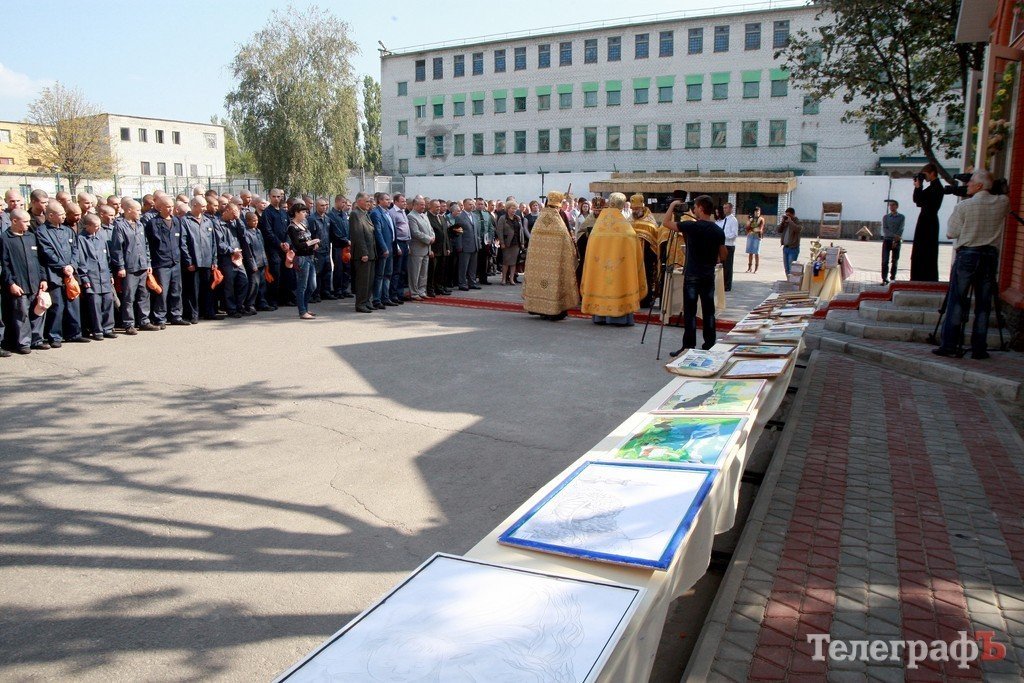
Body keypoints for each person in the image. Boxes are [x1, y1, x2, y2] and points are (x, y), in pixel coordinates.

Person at [933, 170, 1008, 360]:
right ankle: (979, 348)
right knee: (983, 305)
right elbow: (1002, 192)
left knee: (957, 300)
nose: (967, 185)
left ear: (980, 186)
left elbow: (951, 233)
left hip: (968, 254)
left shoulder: (965, 206)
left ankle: (949, 345)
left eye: (971, 182)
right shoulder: (1002, 203)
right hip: (989, 256)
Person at [663, 195, 727, 354]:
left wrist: (672, 206)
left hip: (692, 275)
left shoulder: (691, 226)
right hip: (707, 275)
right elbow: (723, 255)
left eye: (696, 207)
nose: (694, 210)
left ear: (700, 208)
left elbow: (665, 223)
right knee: (708, 311)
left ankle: (688, 346)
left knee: (690, 312)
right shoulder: (718, 230)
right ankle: (709, 344)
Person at [579, 192, 647, 326]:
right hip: (619, 270)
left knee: (600, 284)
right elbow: (635, 250)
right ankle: (619, 318)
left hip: (600, 269)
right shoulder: (626, 230)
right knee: (618, 285)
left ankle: (600, 317)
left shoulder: (597, 228)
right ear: (622, 206)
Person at [36, 200, 89, 346]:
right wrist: (63, 267)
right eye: (60, 214)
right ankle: (55, 336)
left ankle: (74, 333)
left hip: (71, 273)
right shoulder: (42, 232)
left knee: (73, 304)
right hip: (54, 274)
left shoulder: (67, 230)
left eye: (64, 214)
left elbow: (75, 249)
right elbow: (47, 253)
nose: (64, 217)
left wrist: (72, 265)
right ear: (50, 215)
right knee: (57, 306)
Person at [522, 191, 580, 321]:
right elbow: (567, 241)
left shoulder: (539, 221)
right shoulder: (558, 223)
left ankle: (539, 309)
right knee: (553, 284)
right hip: (554, 264)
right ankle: (553, 311)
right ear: (558, 206)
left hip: (539, 262)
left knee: (540, 282)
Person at [1, 209, 48, 353]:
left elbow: (40, 260)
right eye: (25, 221)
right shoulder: (5, 239)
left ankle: (37, 339)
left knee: (39, 310)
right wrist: (11, 283)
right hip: (19, 284)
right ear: (14, 221)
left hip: (35, 282)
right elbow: (4, 264)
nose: (29, 224)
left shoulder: (31, 237)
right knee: (22, 314)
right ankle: (23, 343)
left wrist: (43, 278)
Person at [111, 200, 156, 335]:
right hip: (129, 267)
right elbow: (117, 248)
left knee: (144, 295)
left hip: (142, 265)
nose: (140, 213)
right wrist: (120, 266)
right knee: (129, 297)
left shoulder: (140, 225)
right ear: (129, 210)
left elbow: (146, 245)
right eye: (137, 210)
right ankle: (129, 324)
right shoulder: (119, 226)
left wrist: (148, 263)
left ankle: (144, 321)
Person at [144, 196, 187, 328]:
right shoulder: (153, 223)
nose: (170, 209)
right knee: (162, 292)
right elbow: (150, 244)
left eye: (172, 206)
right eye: (167, 206)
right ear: (160, 207)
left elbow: (181, 242)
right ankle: (160, 318)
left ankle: (176, 315)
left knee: (176, 290)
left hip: (175, 261)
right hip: (161, 262)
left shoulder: (176, 221)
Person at [75, 213, 116, 340]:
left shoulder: (101, 236)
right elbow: (81, 260)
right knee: (95, 304)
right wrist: (84, 278)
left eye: (99, 226)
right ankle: (97, 330)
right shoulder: (81, 239)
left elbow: (107, 257)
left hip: (104, 274)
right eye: (95, 226)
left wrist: (110, 274)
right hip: (91, 276)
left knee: (108, 301)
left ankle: (108, 328)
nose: (98, 228)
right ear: (87, 226)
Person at [180, 197, 221, 321]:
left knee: (208, 288)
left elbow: (213, 242)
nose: (205, 208)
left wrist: (214, 260)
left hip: (207, 261)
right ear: (195, 205)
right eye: (202, 206)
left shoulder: (208, 221)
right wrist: (188, 261)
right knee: (193, 290)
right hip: (194, 262)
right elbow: (183, 243)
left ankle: (209, 312)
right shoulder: (185, 221)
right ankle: (194, 314)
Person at [214, 202, 249, 319]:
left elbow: (243, 234)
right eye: (233, 213)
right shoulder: (218, 223)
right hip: (227, 258)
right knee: (229, 285)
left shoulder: (235, 222)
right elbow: (219, 243)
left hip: (238, 258)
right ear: (227, 210)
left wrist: (238, 219)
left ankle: (240, 305)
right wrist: (231, 250)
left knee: (244, 281)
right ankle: (231, 309)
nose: (235, 216)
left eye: (237, 213)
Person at [911, 163, 945, 282]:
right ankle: (919, 276)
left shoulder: (937, 188)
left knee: (926, 251)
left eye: (925, 175)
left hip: (929, 221)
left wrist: (919, 187)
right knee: (921, 250)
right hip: (926, 220)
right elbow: (918, 201)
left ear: (932, 173)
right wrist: (918, 186)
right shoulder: (932, 187)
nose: (924, 177)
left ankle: (925, 277)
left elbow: (921, 201)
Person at [258, 188, 292, 305]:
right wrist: (279, 244)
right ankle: (273, 300)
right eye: (274, 197)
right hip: (274, 249)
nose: (276, 199)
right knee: (275, 274)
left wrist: (287, 242)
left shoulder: (284, 212)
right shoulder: (267, 213)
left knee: (286, 274)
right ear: (269, 197)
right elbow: (268, 232)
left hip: (285, 249)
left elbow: (289, 229)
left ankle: (285, 299)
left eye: (278, 197)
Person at [286, 202, 319, 319]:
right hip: (301, 258)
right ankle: (302, 311)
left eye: (306, 212)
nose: (305, 214)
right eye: (303, 212)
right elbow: (297, 245)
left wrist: (314, 245)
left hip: (310, 256)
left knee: (312, 285)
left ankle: (305, 307)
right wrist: (311, 242)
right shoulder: (292, 227)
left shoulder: (304, 224)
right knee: (302, 285)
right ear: (296, 213)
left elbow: (308, 239)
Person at [628, 193, 661, 308]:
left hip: (646, 256)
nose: (635, 211)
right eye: (633, 209)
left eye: (637, 209)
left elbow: (654, 240)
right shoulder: (629, 221)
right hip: (631, 257)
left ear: (642, 207)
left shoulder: (650, 223)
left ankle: (646, 300)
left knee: (646, 276)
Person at [349, 192, 377, 313]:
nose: (369, 204)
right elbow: (358, 235)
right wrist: (364, 253)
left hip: (371, 252)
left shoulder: (365, 213)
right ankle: (360, 303)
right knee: (362, 281)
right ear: (359, 201)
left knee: (369, 280)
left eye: (369, 201)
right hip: (363, 254)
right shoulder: (355, 214)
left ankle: (367, 301)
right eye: (366, 201)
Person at [369, 192, 397, 307]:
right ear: (379, 201)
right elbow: (378, 233)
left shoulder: (388, 213)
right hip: (383, 249)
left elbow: (392, 231)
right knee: (380, 275)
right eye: (386, 199)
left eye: (389, 199)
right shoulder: (376, 213)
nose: (389, 201)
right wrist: (384, 248)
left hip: (391, 246)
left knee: (388, 274)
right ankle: (377, 299)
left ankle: (385, 297)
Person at [240, 211, 268, 315]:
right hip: (254, 263)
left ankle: (261, 303)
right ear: (247, 221)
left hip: (261, 261)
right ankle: (250, 305)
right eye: (253, 220)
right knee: (253, 285)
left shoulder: (258, 231)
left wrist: (265, 261)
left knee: (262, 284)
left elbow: (262, 246)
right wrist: (252, 264)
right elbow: (248, 251)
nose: (256, 222)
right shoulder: (246, 233)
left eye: (257, 220)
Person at [405, 195, 433, 300]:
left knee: (423, 273)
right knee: (415, 273)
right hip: (417, 248)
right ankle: (414, 292)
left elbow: (430, 229)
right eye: (421, 205)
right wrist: (429, 239)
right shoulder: (411, 216)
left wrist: (432, 237)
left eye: (424, 205)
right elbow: (415, 232)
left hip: (426, 248)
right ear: (415, 205)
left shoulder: (424, 215)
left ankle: (422, 291)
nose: (423, 206)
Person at [308, 198, 334, 302]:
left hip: (327, 249)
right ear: (316, 206)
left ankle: (326, 292)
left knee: (327, 271)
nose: (325, 207)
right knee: (317, 273)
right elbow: (310, 235)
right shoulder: (312, 219)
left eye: (326, 205)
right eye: (322, 205)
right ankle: (316, 293)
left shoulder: (327, 218)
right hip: (317, 251)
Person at [328, 195, 352, 298]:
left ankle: (344, 288)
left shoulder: (344, 214)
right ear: (337, 202)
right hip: (338, 246)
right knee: (338, 269)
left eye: (345, 203)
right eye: (342, 203)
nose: (344, 205)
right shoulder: (331, 215)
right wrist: (346, 240)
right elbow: (335, 232)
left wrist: (350, 240)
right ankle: (337, 290)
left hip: (347, 246)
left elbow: (348, 229)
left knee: (347, 268)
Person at [453, 198, 480, 291]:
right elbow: (457, 233)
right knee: (463, 266)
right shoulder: (459, 217)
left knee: (473, 266)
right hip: (465, 245)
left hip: (474, 245)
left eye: (473, 204)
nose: (472, 206)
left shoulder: (475, 216)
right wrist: (459, 246)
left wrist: (478, 243)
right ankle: (462, 283)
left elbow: (477, 231)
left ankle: (472, 282)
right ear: (464, 205)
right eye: (469, 204)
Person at [389, 193, 412, 302]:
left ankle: (400, 293)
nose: (405, 203)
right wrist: (397, 247)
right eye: (402, 201)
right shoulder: (392, 213)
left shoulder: (403, 212)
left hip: (405, 243)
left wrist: (408, 244)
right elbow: (393, 231)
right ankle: (393, 295)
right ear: (396, 202)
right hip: (397, 243)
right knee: (396, 271)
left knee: (403, 270)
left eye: (405, 201)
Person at [427, 199, 451, 297]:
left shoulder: (441, 217)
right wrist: (430, 249)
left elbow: (445, 234)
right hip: (434, 249)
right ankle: (430, 289)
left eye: (439, 207)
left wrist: (447, 247)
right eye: (436, 207)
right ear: (431, 207)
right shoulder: (427, 217)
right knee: (432, 271)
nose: (438, 208)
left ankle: (439, 287)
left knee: (441, 270)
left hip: (442, 249)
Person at [496, 202, 524, 285]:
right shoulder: (503, 218)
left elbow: (521, 231)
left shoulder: (518, 218)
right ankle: (504, 279)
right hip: (507, 243)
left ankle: (511, 279)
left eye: (515, 208)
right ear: (508, 209)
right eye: (512, 208)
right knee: (506, 262)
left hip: (516, 243)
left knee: (513, 263)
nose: (514, 210)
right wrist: (502, 242)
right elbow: (499, 231)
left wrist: (522, 242)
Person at [880, 200, 905, 285]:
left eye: (893, 205)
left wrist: (896, 238)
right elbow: (885, 229)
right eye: (890, 205)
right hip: (887, 240)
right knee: (885, 260)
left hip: (897, 241)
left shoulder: (901, 217)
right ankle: (884, 279)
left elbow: (901, 228)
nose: (891, 207)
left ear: (897, 206)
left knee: (895, 261)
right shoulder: (886, 217)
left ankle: (892, 278)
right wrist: (894, 236)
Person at [718, 203, 740, 291]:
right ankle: (723, 283)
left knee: (728, 266)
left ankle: (727, 285)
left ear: (731, 209)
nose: (724, 210)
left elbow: (734, 234)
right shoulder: (725, 219)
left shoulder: (733, 220)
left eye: (726, 208)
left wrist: (723, 236)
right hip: (723, 244)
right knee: (723, 265)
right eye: (723, 208)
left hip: (729, 245)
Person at [474, 198, 496, 285]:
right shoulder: (473, 214)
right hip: (476, 240)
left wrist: (490, 238)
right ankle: (474, 278)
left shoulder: (487, 215)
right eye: (478, 204)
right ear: (476, 205)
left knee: (484, 260)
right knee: (475, 260)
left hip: (485, 240)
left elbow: (491, 227)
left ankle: (484, 278)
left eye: (482, 204)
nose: (480, 206)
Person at [779, 208, 802, 276]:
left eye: (789, 215)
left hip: (793, 248)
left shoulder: (797, 221)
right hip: (785, 248)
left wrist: (790, 222)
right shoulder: (786, 222)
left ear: (793, 214)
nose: (787, 217)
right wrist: (783, 222)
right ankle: (788, 281)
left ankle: (791, 282)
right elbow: (779, 230)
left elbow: (798, 229)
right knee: (786, 268)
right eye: (786, 215)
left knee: (791, 268)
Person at [745, 207, 764, 273]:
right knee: (750, 252)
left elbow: (759, 229)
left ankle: (756, 268)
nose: (757, 213)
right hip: (750, 236)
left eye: (758, 212)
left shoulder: (761, 219)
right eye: (756, 212)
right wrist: (748, 221)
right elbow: (747, 228)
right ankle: (749, 267)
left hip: (757, 237)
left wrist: (752, 224)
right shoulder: (751, 219)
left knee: (756, 253)